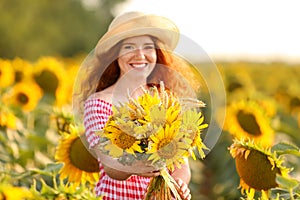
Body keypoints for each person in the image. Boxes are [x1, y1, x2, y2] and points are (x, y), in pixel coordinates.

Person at [75, 11, 199, 200]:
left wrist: (179, 184)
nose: (140, 55)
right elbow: (109, 163)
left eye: (148, 47)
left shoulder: (165, 103)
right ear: (115, 55)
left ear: (156, 54)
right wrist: (135, 166)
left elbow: (182, 165)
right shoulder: (99, 104)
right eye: (129, 47)